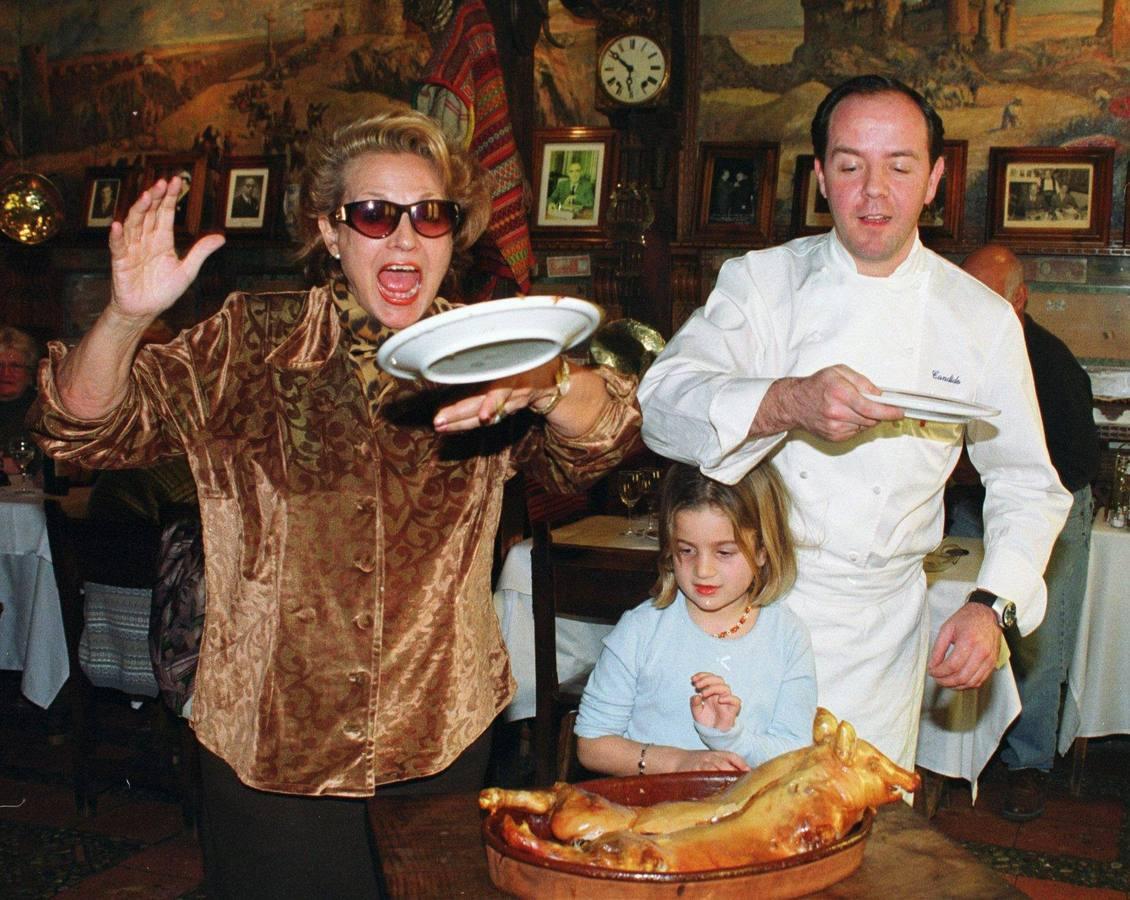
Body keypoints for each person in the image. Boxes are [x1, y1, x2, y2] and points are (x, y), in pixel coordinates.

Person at [28, 110, 641, 898]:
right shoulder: (250, 341)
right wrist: (124, 317)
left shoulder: (489, 346)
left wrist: (550, 381)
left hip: (440, 738)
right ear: (330, 231)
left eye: (430, 215)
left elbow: (610, 435)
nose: (404, 239)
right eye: (375, 214)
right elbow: (80, 431)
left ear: (455, 233)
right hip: (272, 750)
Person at [637, 74, 1071, 770]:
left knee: (857, 839)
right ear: (820, 178)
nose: (874, 191)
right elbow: (660, 406)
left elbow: (1027, 483)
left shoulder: (980, 320)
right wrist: (787, 401)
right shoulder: (761, 283)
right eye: (850, 166)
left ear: (933, 180)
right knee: (727, 831)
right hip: (747, 610)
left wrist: (993, 606)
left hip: (881, 629)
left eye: (899, 166)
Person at [955, 244, 1099, 822]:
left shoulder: (1053, 363)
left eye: (990, 298)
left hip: (1056, 511)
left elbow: (1067, 468)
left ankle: (1029, 765)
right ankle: (964, 755)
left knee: (1034, 642)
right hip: (973, 504)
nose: (975, 310)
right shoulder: (956, 346)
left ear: (1020, 300)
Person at [575, 462, 816, 776]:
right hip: (653, 813)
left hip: (744, 813)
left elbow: (795, 752)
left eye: (725, 552)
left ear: (762, 551)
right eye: (687, 550)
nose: (703, 570)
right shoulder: (641, 630)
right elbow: (592, 744)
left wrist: (731, 738)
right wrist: (678, 763)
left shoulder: (787, 635)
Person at [0, 325, 40, 477]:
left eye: (15, 366)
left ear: (29, 373)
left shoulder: (42, 411)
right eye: (0, 365)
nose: (5, 373)